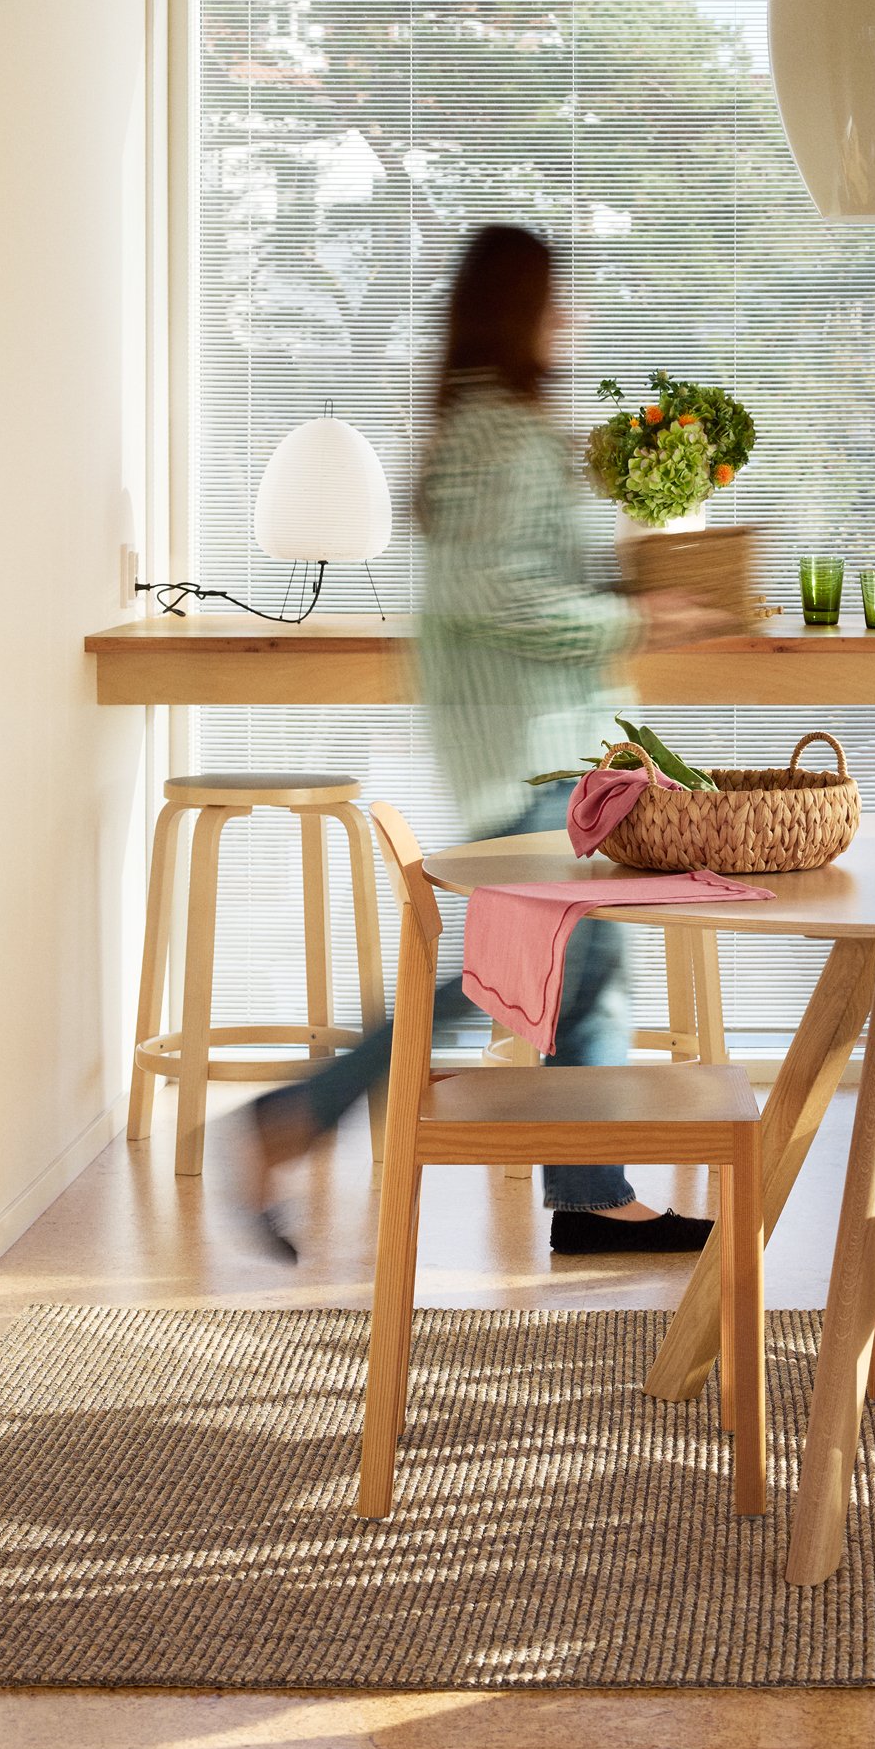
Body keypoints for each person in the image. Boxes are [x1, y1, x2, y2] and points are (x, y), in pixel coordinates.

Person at [238, 224, 726, 1258]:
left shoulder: (476, 427)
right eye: (559, 301)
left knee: (587, 965)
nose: (573, 318)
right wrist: (632, 619)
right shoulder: (503, 435)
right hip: (536, 743)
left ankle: (594, 1193)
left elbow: (506, 578)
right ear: (522, 310)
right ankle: (297, 1114)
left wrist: (626, 586)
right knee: (540, 963)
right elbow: (493, 592)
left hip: (523, 737)